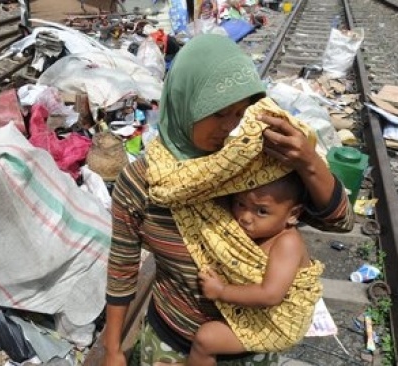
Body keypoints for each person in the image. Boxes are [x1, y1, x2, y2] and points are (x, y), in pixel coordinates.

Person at [102, 34, 354, 366]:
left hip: (247, 346)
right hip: (170, 344)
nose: (231, 127)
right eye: (219, 113)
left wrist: (308, 162)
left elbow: (339, 221)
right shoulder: (140, 182)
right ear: (185, 103)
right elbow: (122, 266)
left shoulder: (253, 164)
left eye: (240, 113)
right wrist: (112, 349)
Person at [188, 172, 321, 366]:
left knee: (206, 339)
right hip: (262, 312)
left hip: (278, 325)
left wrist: (221, 291)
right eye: (240, 204)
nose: (245, 217)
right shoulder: (257, 232)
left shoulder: (287, 242)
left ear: (293, 215)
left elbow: (270, 295)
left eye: (262, 211)